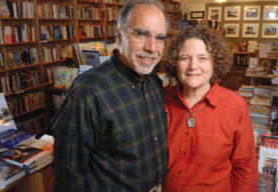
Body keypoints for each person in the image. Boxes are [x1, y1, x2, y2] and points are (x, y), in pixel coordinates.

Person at [51, 0, 169, 191]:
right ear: (120, 36)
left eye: (160, 38)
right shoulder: (87, 92)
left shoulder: (154, 82)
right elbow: (68, 175)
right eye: (141, 34)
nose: (152, 48)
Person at [162, 26, 259, 192]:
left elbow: (245, 169)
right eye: (185, 57)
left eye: (202, 58)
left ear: (215, 63)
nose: (193, 66)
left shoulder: (235, 106)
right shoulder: (161, 99)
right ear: (174, 63)